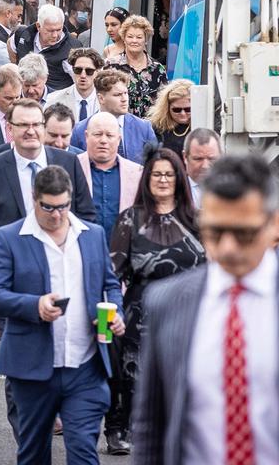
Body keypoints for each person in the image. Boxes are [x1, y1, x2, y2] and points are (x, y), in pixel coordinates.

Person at [130, 152, 278, 465]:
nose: (226, 247)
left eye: (243, 232)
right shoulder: (167, 302)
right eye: (214, 231)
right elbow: (151, 425)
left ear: (273, 223)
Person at [0, 165, 125, 465]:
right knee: (34, 454)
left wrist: (116, 313)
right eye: (48, 207)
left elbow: (110, 285)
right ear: (34, 199)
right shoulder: (9, 238)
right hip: (33, 368)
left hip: (85, 366)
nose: (57, 214)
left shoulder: (92, 235)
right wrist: (34, 306)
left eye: (63, 206)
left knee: (84, 453)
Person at [0, 99, 99, 343]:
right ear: (10, 129)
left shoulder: (68, 162)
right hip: (14, 281)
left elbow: (86, 217)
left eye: (36, 124)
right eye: (23, 125)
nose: (31, 131)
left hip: (63, 275)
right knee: (20, 355)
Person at [104, 149, 205, 456]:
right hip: (140, 316)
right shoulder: (130, 220)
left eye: (169, 174)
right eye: (156, 174)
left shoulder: (196, 219)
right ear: (147, 179)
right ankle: (121, 427)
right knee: (132, 378)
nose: (162, 180)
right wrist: (110, 317)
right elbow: (112, 274)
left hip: (190, 315)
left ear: (179, 179)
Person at [76, 112, 143, 237]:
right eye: (97, 134)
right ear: (86, 136)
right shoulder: (71, 167)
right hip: (82, 249)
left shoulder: (138, 173)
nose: (103, 140)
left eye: (110, 135)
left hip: (123, 250)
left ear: (118, 139)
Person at [69, 70, 158, 160]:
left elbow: (155, 163)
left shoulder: (143, 128)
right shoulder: (80, 130)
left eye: (125, 93)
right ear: (101, 98)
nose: (124, 99)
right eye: (117, 95)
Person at [104, 15, 167, 118]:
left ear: (146, 40)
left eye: (139, 37)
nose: (134, 41)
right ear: (124, 39)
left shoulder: (158, 69)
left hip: (149, 128)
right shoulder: (111, 65)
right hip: (118, 126)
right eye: (130, 36)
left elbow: (163, 103)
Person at [11, 4, 81, 92]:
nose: (55, 35)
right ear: (38, 26)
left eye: (59, 30)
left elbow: (80, 80)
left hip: (54, 101)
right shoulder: (23, 34)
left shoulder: (72, 48)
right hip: (25, 97)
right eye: (50, 31)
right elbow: (11, 45)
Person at [45, 48, 103, 123]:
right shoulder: (54, 99)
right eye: (78, 70)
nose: (83, 75)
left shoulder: (106, 101)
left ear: (97, 72)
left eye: (89, 71)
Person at [145, 79, 194, 154]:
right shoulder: (156, 128)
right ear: (167, 108)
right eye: (177, 110)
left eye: (188, 109)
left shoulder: (205, 124)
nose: (183, 113)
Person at [181, 127, 221, 206]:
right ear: (185, 157)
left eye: (211, 159)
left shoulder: (234, 191)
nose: (205, 166)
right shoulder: (173, 190)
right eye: (198, 159)